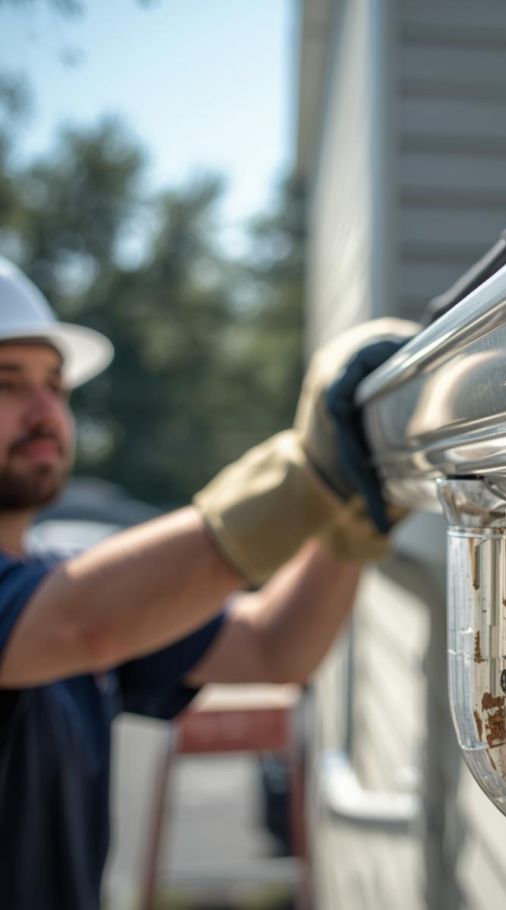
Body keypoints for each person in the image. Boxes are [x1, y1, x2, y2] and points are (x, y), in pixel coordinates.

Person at [0, 255, 417, 909]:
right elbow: (84, 625)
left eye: (56, 384)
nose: (47, 409)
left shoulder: (54, 576)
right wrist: (308, 475)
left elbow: (274, 646)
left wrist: (352, 520)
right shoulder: (63, 608)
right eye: (8, 383)